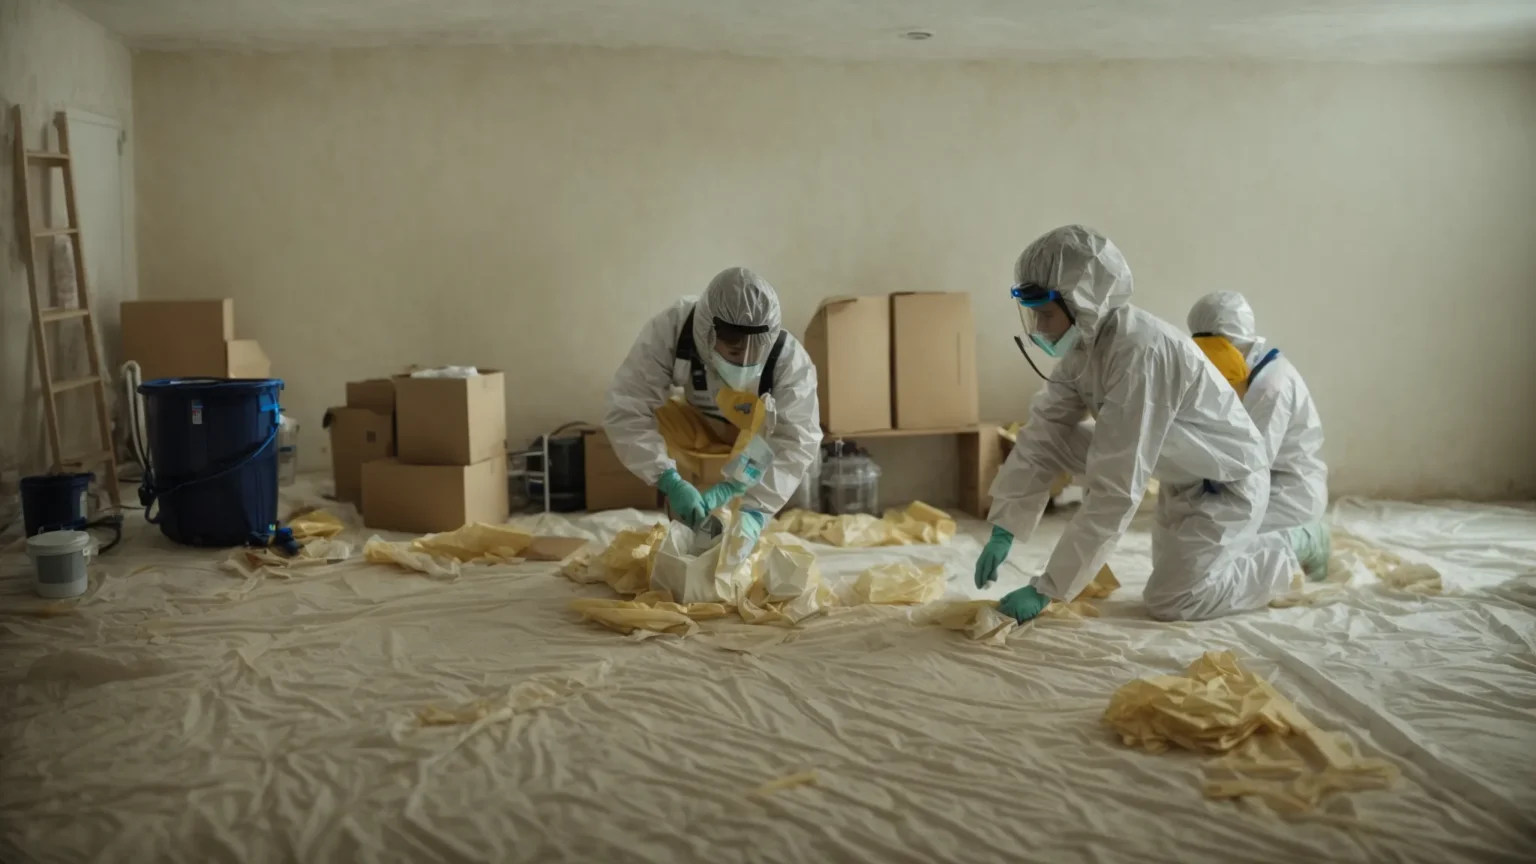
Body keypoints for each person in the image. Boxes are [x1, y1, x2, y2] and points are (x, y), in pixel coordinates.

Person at [976, 226, 1299, 623]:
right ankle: (1249, 549)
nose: (1039, 328)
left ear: (1083, 301)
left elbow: (1116, 485)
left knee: (1172, 601)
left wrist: (1049, 588)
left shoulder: (1140, 352)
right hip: (1183, 476)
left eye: (1045, 314)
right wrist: (1004, 525)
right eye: (1033, 314)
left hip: (1228, 488)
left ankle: (1287, 554)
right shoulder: (1085, 350)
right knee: (1056, 436)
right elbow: (1043, 435)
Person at [604, 267, 821, 550]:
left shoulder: (789, 358)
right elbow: (627, 407)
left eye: (755, 353)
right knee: (657, 416)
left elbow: (797, 439)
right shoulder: (673, 330)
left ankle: (745, 515)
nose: (743, 363)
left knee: (776, 429)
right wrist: (668, 479)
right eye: (733, 352)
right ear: (706, 333)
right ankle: (683, 515)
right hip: (698, 432)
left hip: (753, 444)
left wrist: (755, 512)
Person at [1187, 291, 1329, 575]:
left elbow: (1252, 463)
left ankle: (1309, 541)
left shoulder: (1270, 386)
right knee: (1192, 532)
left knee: (1207, 544)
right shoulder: (1239, 376)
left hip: (1288, 492)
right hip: (1259, 484)